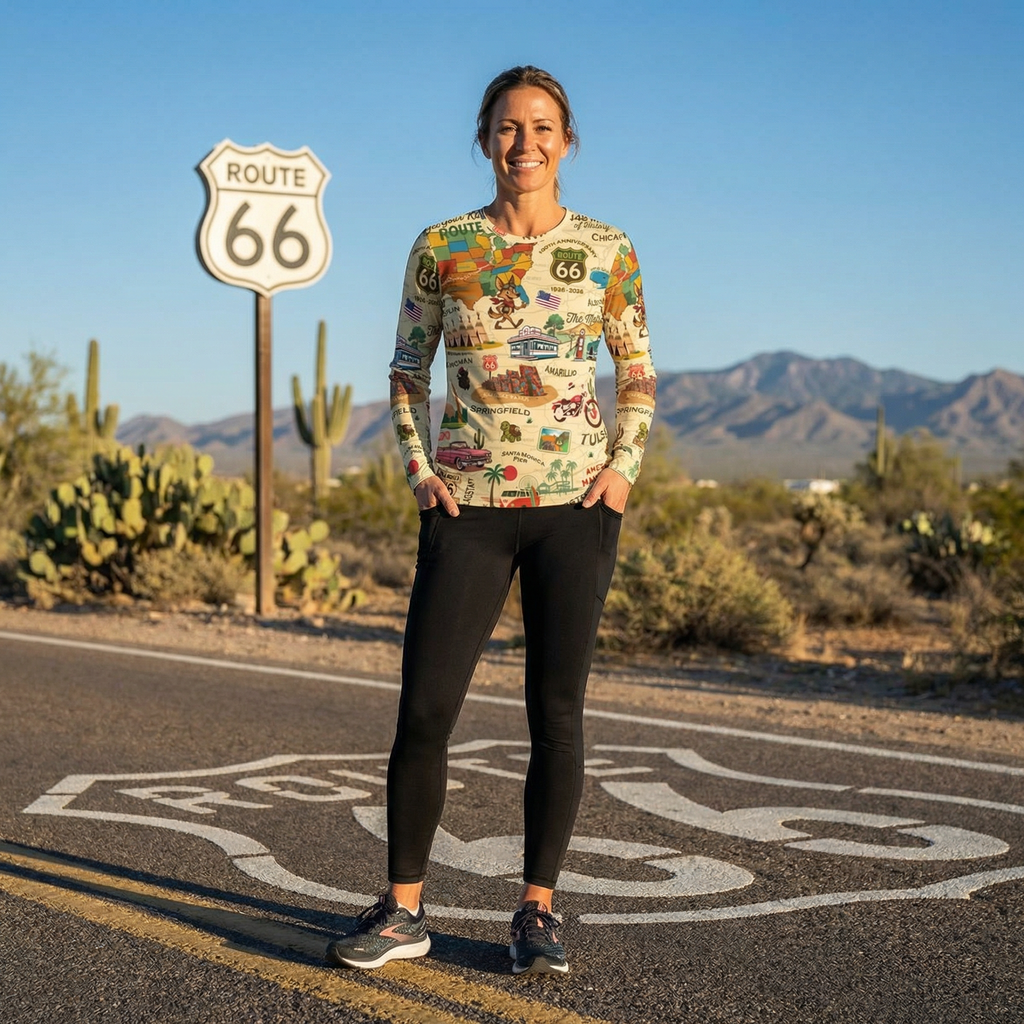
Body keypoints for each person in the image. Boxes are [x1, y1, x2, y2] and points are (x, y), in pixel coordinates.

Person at [327, 65, 655, 976]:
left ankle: (537, 909)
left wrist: (621, 473)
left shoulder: (607, 248)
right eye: (509, 129)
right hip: (466, 506)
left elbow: (636, 373)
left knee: (557, 715)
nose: (526, 145)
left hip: (573, 508)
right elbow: (406, 369)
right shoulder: (443, 246)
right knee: (426, 709)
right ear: (485, 140)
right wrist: (420, 472)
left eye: (543, 128)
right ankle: (401, 911)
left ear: (568, 140)